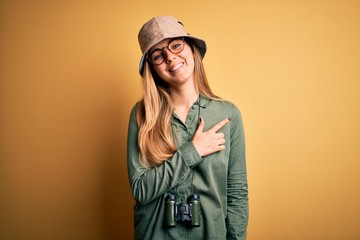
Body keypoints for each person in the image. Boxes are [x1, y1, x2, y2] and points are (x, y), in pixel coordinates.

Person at [127, 16, 248, 239]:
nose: (170, 57)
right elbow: (140, 190)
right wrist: (192, 151)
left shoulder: (228, 115)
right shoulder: (141, 116)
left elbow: (237, 194)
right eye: (158, 55)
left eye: (175, 45)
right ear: (151, 68)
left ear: (192, 49)